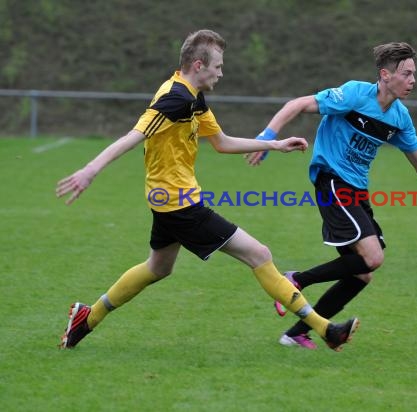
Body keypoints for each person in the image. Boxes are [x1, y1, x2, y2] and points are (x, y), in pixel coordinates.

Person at [56, 29, 359, 352]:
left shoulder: (193, 97)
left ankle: (87, 319)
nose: (221, 72)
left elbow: (222, 142)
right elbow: (134, 135)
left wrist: (274, 144)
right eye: (218, 66)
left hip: (166, 199)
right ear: (199, 65)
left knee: (158, 268)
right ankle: (325, 328)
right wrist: (90, 170)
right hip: (180, 204)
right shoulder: (175, 99)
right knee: (260, 254)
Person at [246, 42, 417, 349]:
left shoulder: (400, 118)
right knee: (373, 257)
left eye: (414, 74)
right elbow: (299, 104)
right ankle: (296, 279)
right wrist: (266, 138)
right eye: (406, 74)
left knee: (362, 273)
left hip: (356, 190)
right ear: (385, 75)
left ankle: (296, 333)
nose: (413, 81)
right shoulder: (355, 95)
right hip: (331, 181)